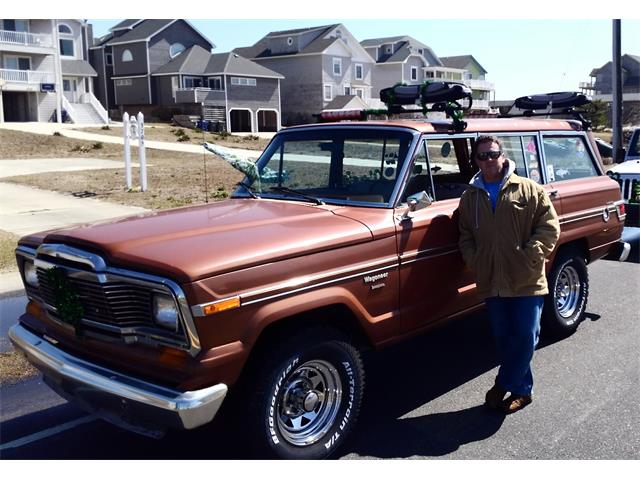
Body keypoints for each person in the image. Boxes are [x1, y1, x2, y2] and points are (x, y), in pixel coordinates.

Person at [458, 135, 560, 414]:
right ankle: (521, 389)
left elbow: (549, 227)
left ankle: (505, 384)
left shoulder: (528, 189)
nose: (488, 160)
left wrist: (532, 254)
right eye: (482, 156)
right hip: (492, 280)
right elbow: (465, 234)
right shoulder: (470, 197)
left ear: (502, 155)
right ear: (476, 160)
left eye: (492, 154)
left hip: (526, 278)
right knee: (504, 338)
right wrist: (474, 259)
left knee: (527, 336)